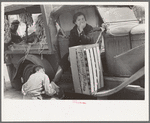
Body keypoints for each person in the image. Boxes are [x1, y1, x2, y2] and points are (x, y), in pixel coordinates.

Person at [51, 12, 93, 84]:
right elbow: (71, 44)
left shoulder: (89, 28)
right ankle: (56, 79)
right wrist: (70, 53)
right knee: (65, 58)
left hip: (87, 51)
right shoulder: (73, 31)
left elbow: (86, 41)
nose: (82, 21)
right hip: (76, 51)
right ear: (75, 22)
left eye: (83, 19)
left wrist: (82, 31)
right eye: (79, 20)